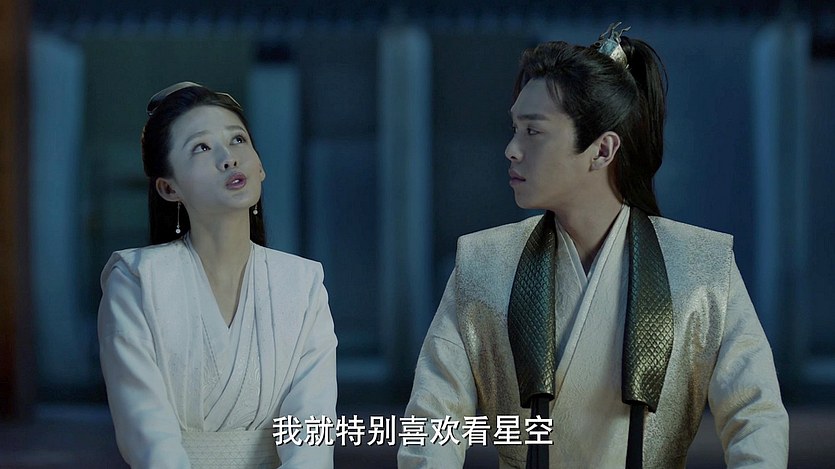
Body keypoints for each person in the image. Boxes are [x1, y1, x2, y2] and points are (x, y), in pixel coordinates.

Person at [398, 24, 789, 468]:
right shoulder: (483, 262)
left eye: (533, 131)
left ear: (602, 150)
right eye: (514, 129)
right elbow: (432, 422)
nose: (511, 149)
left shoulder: (702, 267)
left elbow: (755, 416)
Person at [98, 82, 337, 468]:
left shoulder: (302, 283)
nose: (229, 159)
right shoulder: (136, 280)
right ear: (169, 188)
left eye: (238, 140)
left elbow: (311, 428)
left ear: (260, 166)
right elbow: (146, 431)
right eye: (201, 147)